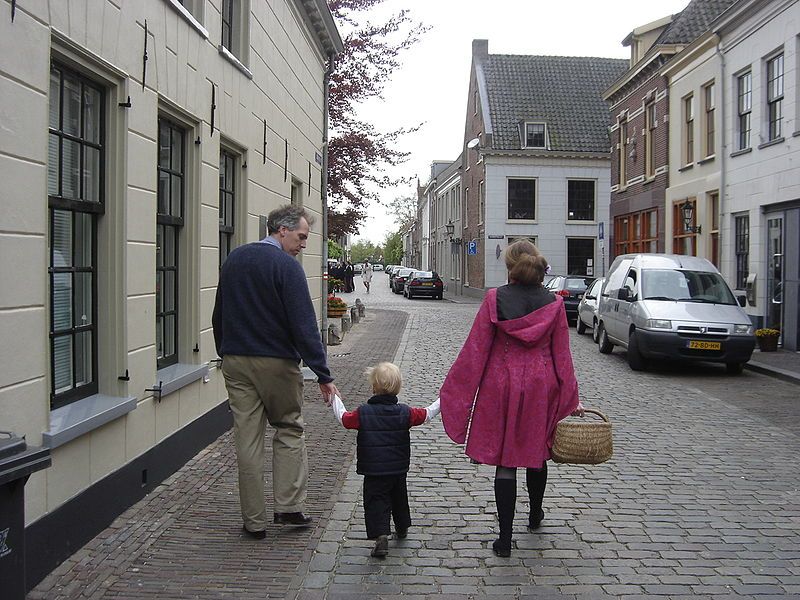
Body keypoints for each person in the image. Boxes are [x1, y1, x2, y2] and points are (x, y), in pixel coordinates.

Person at [439, 240, 583, 557]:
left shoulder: (494, 299)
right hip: (540, 388)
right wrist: (572, 397)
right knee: (537, 452)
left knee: (506, 462)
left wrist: (455, 393)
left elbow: (475, 351)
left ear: (509, 267)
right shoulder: (555, 305)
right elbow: (562, 357)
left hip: (499, 386)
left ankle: (504, 539)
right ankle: (534, 514)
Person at [212, 204, 340, 540]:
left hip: (236, 360)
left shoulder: (234, 259)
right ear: (281, 230)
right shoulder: (286, 266)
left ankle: (253, 522)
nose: (303, 245)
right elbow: (303, 325)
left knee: (247, 439)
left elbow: (218, 312)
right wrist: (323, 374)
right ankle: (288, 507)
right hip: (276, 363)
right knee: (288, 428)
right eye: (301, 237)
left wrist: (224, 350)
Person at [330, 362, 440, 557]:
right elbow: (427, 414)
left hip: (373, 471)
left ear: (373, 387)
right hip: (398, 468)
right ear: (398, 388)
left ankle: (381, 535)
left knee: (376, 501)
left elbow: (344, 418)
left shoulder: (363, 413)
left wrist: (335, 399)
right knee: (399, 497)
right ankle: (402, 526)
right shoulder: (405, 412)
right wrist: (443, 400)